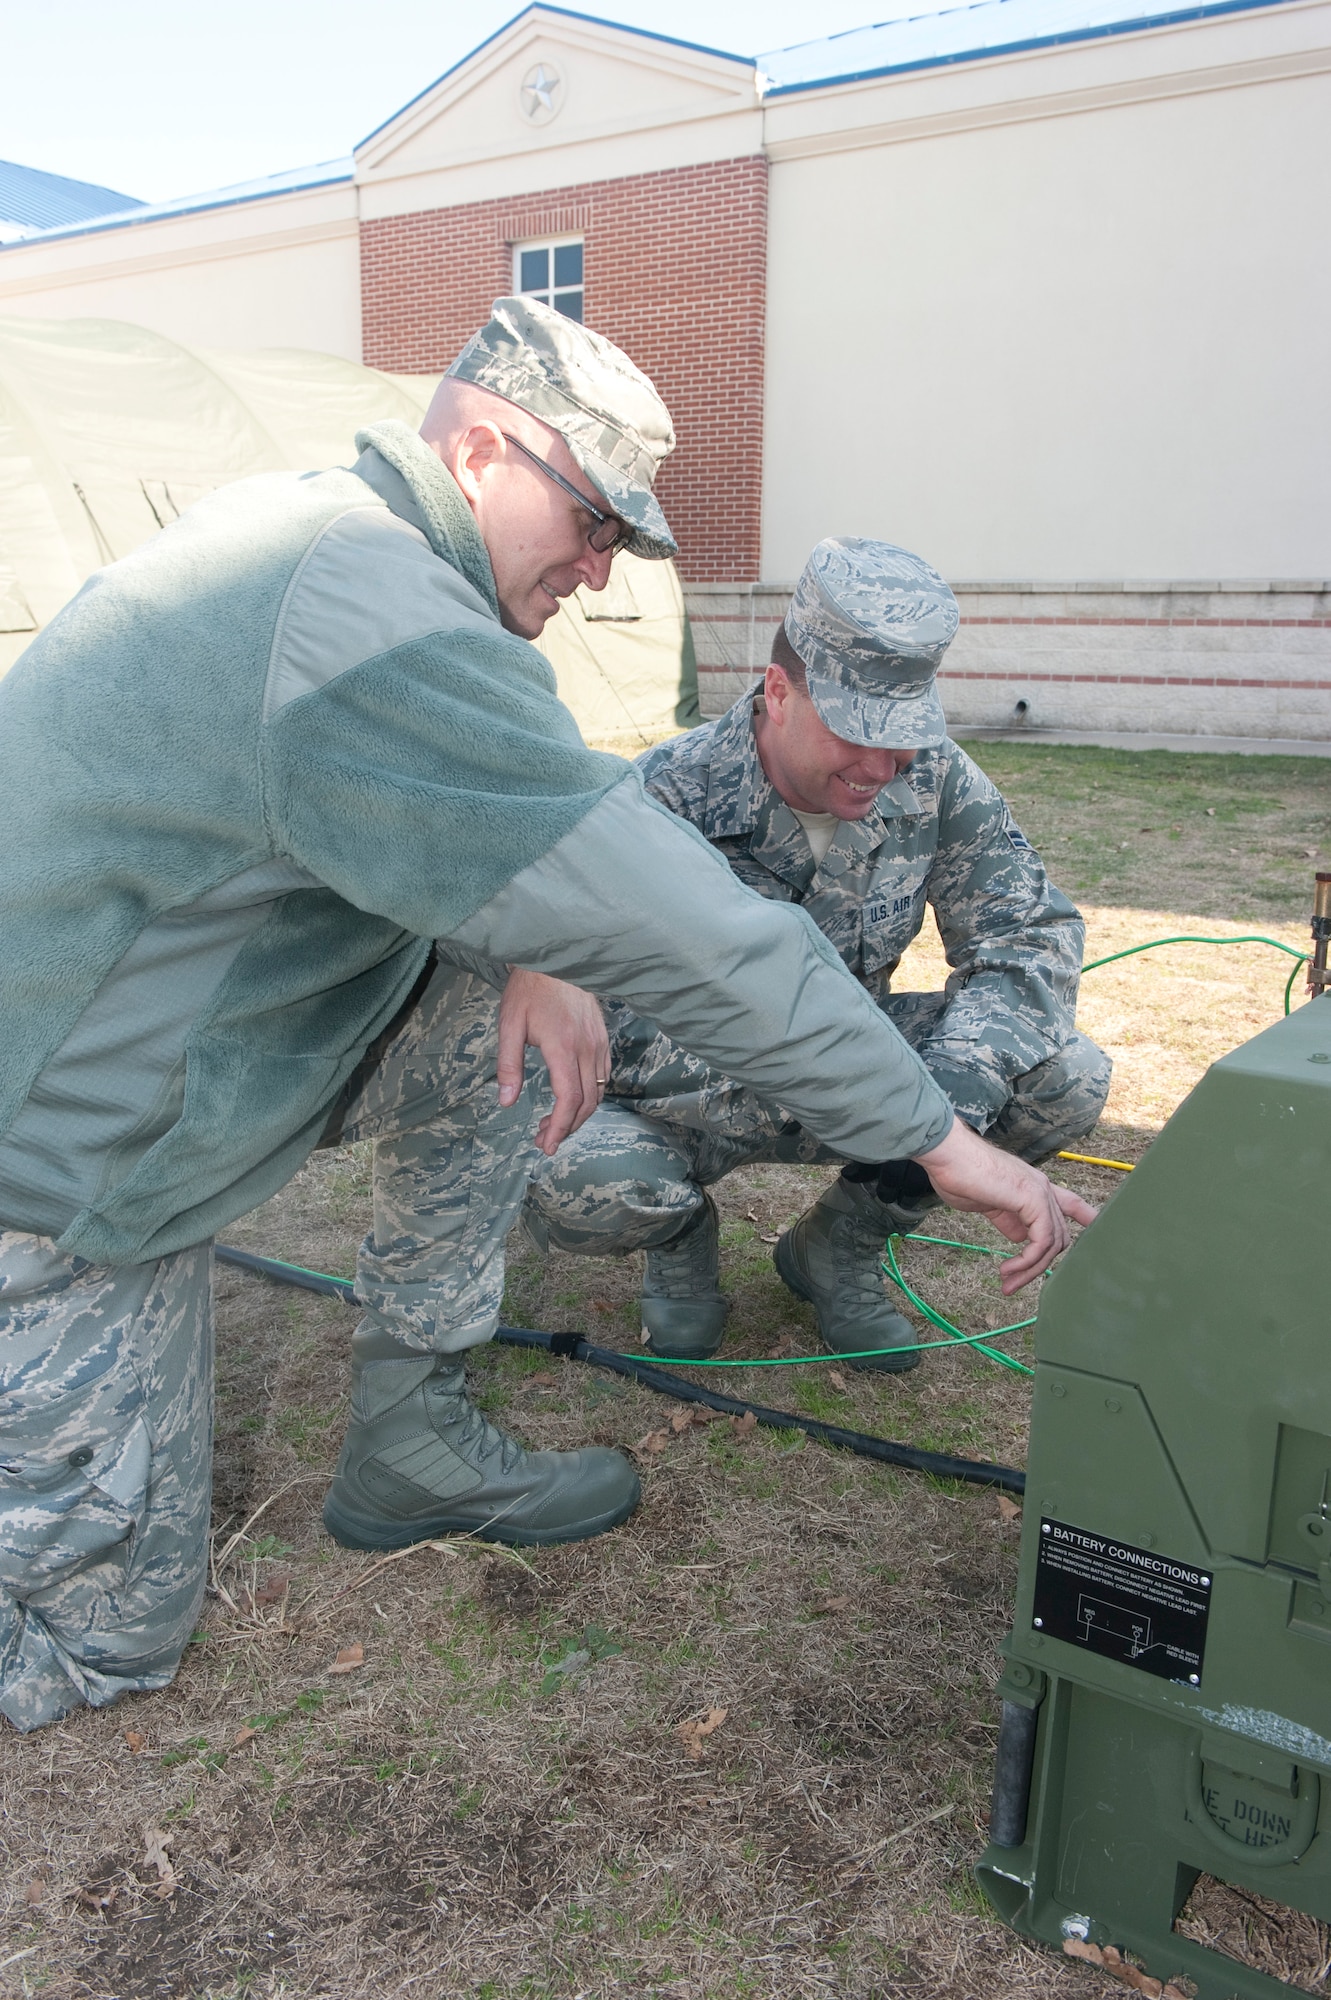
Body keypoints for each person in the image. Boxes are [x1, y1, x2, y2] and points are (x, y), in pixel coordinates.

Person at [0, 303, 1093, 1731]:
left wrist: (536, 946)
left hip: (168, 1072)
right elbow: (689, 926)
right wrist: (934, 1140)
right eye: (588, 523)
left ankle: (405, 1440)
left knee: (485, 1031)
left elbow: (414, 832)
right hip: (63, 1169)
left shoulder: (336, 553)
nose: (596, 569)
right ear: (475, 451)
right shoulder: (361, 603)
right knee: (107, 1641)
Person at [527, 537, 1110, 1369]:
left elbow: (1026, 938)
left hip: (869, 1079)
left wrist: (940, 1110)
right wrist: (839, 1084)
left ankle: (839, 1246)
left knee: (1063, 1075)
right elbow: (599, 1013)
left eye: (903, 733)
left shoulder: (933, 778)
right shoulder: (661, 796)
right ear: (777, 692)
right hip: (684, 1094)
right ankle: (680, 1237)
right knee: (571, 1178)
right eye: (855, 732)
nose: (881, 766)